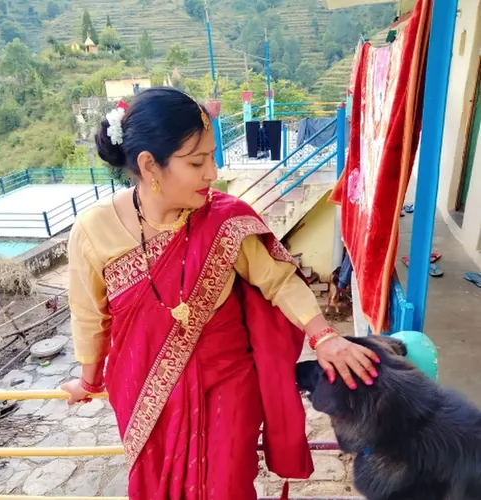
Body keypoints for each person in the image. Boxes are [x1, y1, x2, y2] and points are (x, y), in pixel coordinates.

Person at [61, 88, 380, 500]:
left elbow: (280, 280)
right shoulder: (93, 231)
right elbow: (90, 317)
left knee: (228, 485)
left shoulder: (226, 220)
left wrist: (325, 336)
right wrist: (89, 382)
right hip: (145, 393)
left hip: (228, 385)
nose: (213, 173)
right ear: (149, 165)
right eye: (197, 162)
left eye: (212, 157)